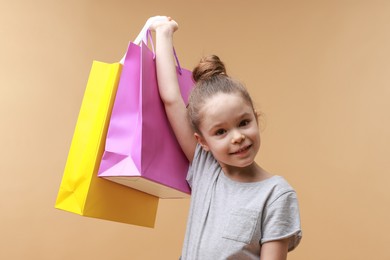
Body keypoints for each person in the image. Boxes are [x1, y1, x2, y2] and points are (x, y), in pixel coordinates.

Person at [151, 16, 302, 260]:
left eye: (243, 123)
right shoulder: (205, 167)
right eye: (221, 132)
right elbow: (171, 99)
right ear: (203, 142)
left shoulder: (276, 194)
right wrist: (164, 32)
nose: (237, 137)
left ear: (256, 117)